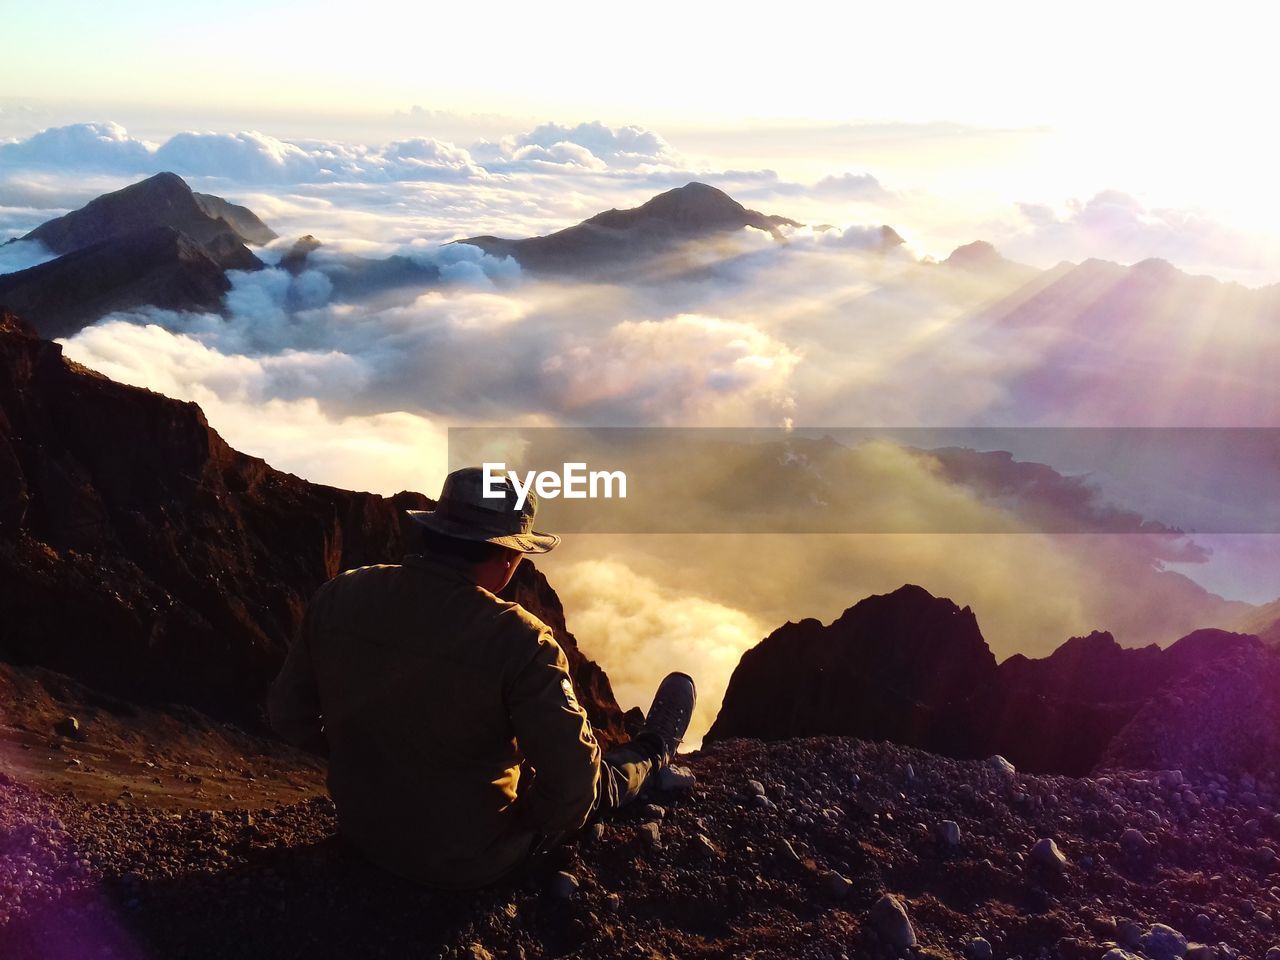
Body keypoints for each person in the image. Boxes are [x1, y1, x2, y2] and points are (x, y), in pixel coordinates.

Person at [267, 465, 696, 889]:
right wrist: (530, 823)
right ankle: (654, 752)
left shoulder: (339, 594)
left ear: (435, 532)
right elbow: (573, 787)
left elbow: (287, 715)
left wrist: (365, 758)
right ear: (510, 555)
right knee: (598, 778)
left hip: (362, 835)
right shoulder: (521, 641)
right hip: (466, 862)